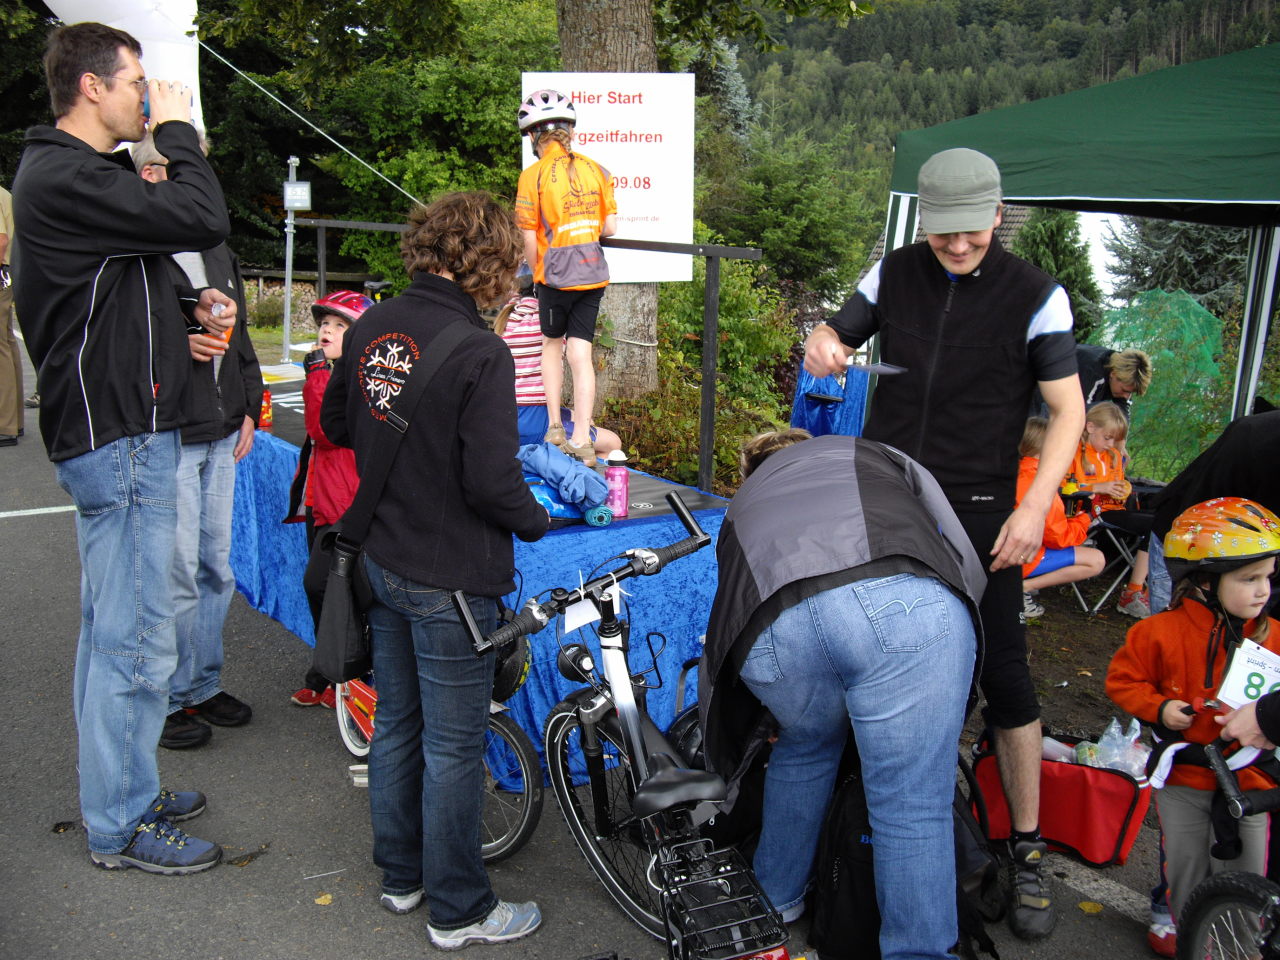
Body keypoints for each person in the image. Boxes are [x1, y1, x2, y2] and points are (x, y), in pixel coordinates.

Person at [803, 146, 1085, 938]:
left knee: (1004, 673)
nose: (957, 246)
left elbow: (1067, 411)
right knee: (870, 647)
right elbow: (832, 334)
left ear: (998, 215)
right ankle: (856, 820)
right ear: (923, 223)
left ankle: (1026, 849)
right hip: (889, 493)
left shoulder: (1038, 295)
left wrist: (1034, 506)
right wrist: (823, 344)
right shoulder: (894, 272)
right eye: (942, 233)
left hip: (985, 505)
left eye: (972, 230)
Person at [12, 22, 234, 873]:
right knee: (137, 639)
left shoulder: (77, 175)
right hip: (118, 433)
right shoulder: (66, 174)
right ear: (92, 86)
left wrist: (187, 317)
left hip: (114, 426)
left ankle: (120, 787)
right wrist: (176, 131)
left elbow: (121, 282)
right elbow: (199, 214)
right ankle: (122, 820)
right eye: (138, 81)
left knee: (112, 628)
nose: (148, 94)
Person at [321, 191, 549, 949]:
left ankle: (402, 877)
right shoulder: (480, 351)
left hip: (384, 558)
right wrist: (538, 520)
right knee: (453, 746)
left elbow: (336, 422)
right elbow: (492, 483)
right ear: (487, 262)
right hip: (450, 575)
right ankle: (460, 910)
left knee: (397, 723)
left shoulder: (373, 322)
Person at [701, 429, 983, 960]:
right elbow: (956, 542)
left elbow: (733, 596)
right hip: (899, 593)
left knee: (804, 746)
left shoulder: (746, 499)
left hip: (775, 626)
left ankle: (773, 903)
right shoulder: (866, 451)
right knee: (911, 803)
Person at [131, 133, 264, 749]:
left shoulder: (214, 245)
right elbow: (120, 341)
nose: (194, 180)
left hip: (222, 427)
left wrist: (250, 406)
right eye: (178, 168)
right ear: (148, 176)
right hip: (171, 431)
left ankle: (200, 684)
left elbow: (240, 337)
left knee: (216, 568)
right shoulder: (135, 247)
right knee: (176, 572)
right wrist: (175, 347)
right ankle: (161, 697)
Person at [1106, 497, 1280, 932]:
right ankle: (1190, 935)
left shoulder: (1273, 636)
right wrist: (1160, 707)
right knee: (1184, 871)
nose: (1264, 591)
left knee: (1249, 880)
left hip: (1250, 782)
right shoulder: (1157, 633)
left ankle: (1243, 945)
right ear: (1204, 580)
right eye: (1250, 579)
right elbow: (1123, 682)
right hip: (1184, 781)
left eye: (1268, 577)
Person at [514, 88, 617, 468]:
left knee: (552, 346)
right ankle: (583, 438)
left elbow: (528, 236)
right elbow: (610, 226)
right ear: (570, 132)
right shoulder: (598, 170)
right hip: (592, 272)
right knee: (581, 354)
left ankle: (556, 426)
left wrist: (536, 275)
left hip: (554, 278)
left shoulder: (533, 176)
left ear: (533, 136)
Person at [285, 288, 372, 707]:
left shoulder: (359, 378)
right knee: (328, 593)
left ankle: (349, 675)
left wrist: (318, 373)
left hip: (347, 507)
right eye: (324, 323)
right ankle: (328, 674)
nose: (327, 330)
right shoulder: (333, 373)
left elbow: (324, 429)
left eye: (339, 325)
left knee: (326, 587)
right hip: (322, 503)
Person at [493, 265, 621, 457]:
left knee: (583, 420)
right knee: (612, 443)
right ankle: (570, 470)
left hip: (507, 414)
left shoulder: (508, 317)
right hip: (536, 419)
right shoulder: (547, 323)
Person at [1069, 401, 1154, 618]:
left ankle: (1144, 590)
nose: (1110, 444)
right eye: (1107, 438)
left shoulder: (1113, 455)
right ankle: (1132, 592)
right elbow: (1063, 488)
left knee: (1164, 519)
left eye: (1114, 440)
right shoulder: (1073, 452)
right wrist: (1097, 487)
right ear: (1090, 427)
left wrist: (1123, 489)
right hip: (1090, 512)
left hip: (1115, 509)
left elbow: (1118, 485)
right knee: (1157, 524)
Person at [1017, 417, 1104, 618]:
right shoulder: (1040, 483)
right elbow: (1058, 538)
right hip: (1019, 557)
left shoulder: (1014, 471)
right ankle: (1023, 588)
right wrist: (1088, 517)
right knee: (1096, 560)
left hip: (995, 550)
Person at [1077, 343, 1152, 420]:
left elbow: (1123, 418)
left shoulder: (1123, 378)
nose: (1126, 396)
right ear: (1113, 374)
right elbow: (1079, 413)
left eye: (1130, 392)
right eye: (1124, 390)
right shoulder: (1093, 373)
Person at [0, 184, 20, 446]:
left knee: (0, 348)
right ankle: (13, 420)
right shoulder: (4, 193)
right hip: (10, 271)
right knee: (7, 343)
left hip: (1, 271)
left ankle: (5, 424)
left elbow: (0, 239)